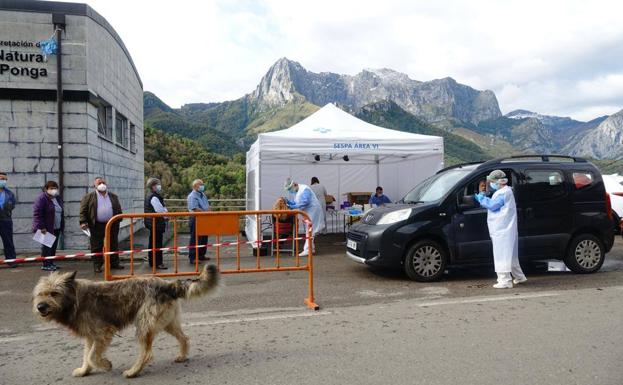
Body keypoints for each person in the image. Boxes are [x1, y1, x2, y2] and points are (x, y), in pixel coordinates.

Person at [475, 170, 527, 289]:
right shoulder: (507, 190)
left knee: (502, 255)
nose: (490, 184)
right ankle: (519, 276)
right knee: (511, 255)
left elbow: (493, 205)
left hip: (502, 230)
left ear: (498, 182)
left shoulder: (502, 193)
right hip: (508, 228)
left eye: (492, 182)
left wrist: (481, 198)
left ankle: (504, 281)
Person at [79, 176, 124, 273]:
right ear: (94, 185)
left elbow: (118, 208)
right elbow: (83, 211)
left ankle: (115, 263)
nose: (102, 184)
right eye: (99, 183)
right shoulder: (88, 197)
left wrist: (119, 219)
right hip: (96, 225)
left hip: (112, 224)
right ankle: (97, 265)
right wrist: (83, 222)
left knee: (113, 244)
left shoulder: (113, 196)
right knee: (96, 246)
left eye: (103, 182)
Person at [284, 177, 325, 257]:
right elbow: (297, 202)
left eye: (290, 189)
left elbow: (304, 202)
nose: (290, 191)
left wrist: (292, 207)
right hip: (308, 213)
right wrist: (289, 203)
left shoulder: (305, 189)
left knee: (310, 231)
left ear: (295, 185)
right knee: (309, 231)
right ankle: (310, 249)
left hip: (313, 212)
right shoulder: (297, 191)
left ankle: (307, 250)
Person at [32, 181, 64, 271]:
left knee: (53, 247)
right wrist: (41, 227)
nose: (54, 190)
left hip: (56, 227)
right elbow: (37, 214)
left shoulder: (57, 198)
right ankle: (45, 264)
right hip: (46, 228)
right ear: (46, 189)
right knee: (46, 247)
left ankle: (51, 263)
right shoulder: (42, 198)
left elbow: (61, 211)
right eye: (51, 188)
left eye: (55, 188)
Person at [144, 178, 168, 269]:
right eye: (158, 184)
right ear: (153, 186)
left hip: (153, 223)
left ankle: (153, 262)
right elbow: (160, 211)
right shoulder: (154, 197)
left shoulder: (151, 195)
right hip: (156, 223)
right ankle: (157, 263)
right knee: (157, 244)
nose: (159, 186)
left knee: (153, 243)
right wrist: (166, 213)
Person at [187, 179, 210, 264]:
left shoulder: (202, 194)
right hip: (196, 218)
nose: (202, 186)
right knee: (195, 238)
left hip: (204, 218)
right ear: (195, 186)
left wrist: (209, 212)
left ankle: (201, 255)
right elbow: (194, 208)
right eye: (200, 185)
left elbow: (207, 205)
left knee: (204, 238)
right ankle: (193, 258)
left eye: (202, 184)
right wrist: (205, 213)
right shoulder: (192, 196)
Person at [0, 172, 17, 267]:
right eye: (0, 178)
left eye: (4, 179)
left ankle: (11, 260)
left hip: (6, 220)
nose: (2, 181)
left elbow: (13, 205)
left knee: (8, 241)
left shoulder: (10, 194)